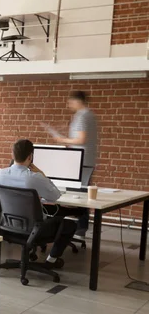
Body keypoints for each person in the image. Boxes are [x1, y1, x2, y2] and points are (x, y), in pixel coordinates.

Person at [0, 139, 77, 268]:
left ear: (12, 155)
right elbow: (55, 196)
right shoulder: (34, 177)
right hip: (34, 229)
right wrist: (41, 174)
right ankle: (51, 261)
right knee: (70, 224)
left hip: (7, 226)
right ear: (30, 157)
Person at [51, 90, 97, 239]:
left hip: (81, 161)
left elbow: (81, 139)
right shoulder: (90, 115)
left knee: (79, 196)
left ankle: (79, 229)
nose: (69, 105)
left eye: (71, 102)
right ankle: (78, 228)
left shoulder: (82, 116)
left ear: (78, 101)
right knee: (81, 194)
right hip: (86, 160)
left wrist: (62, 140)